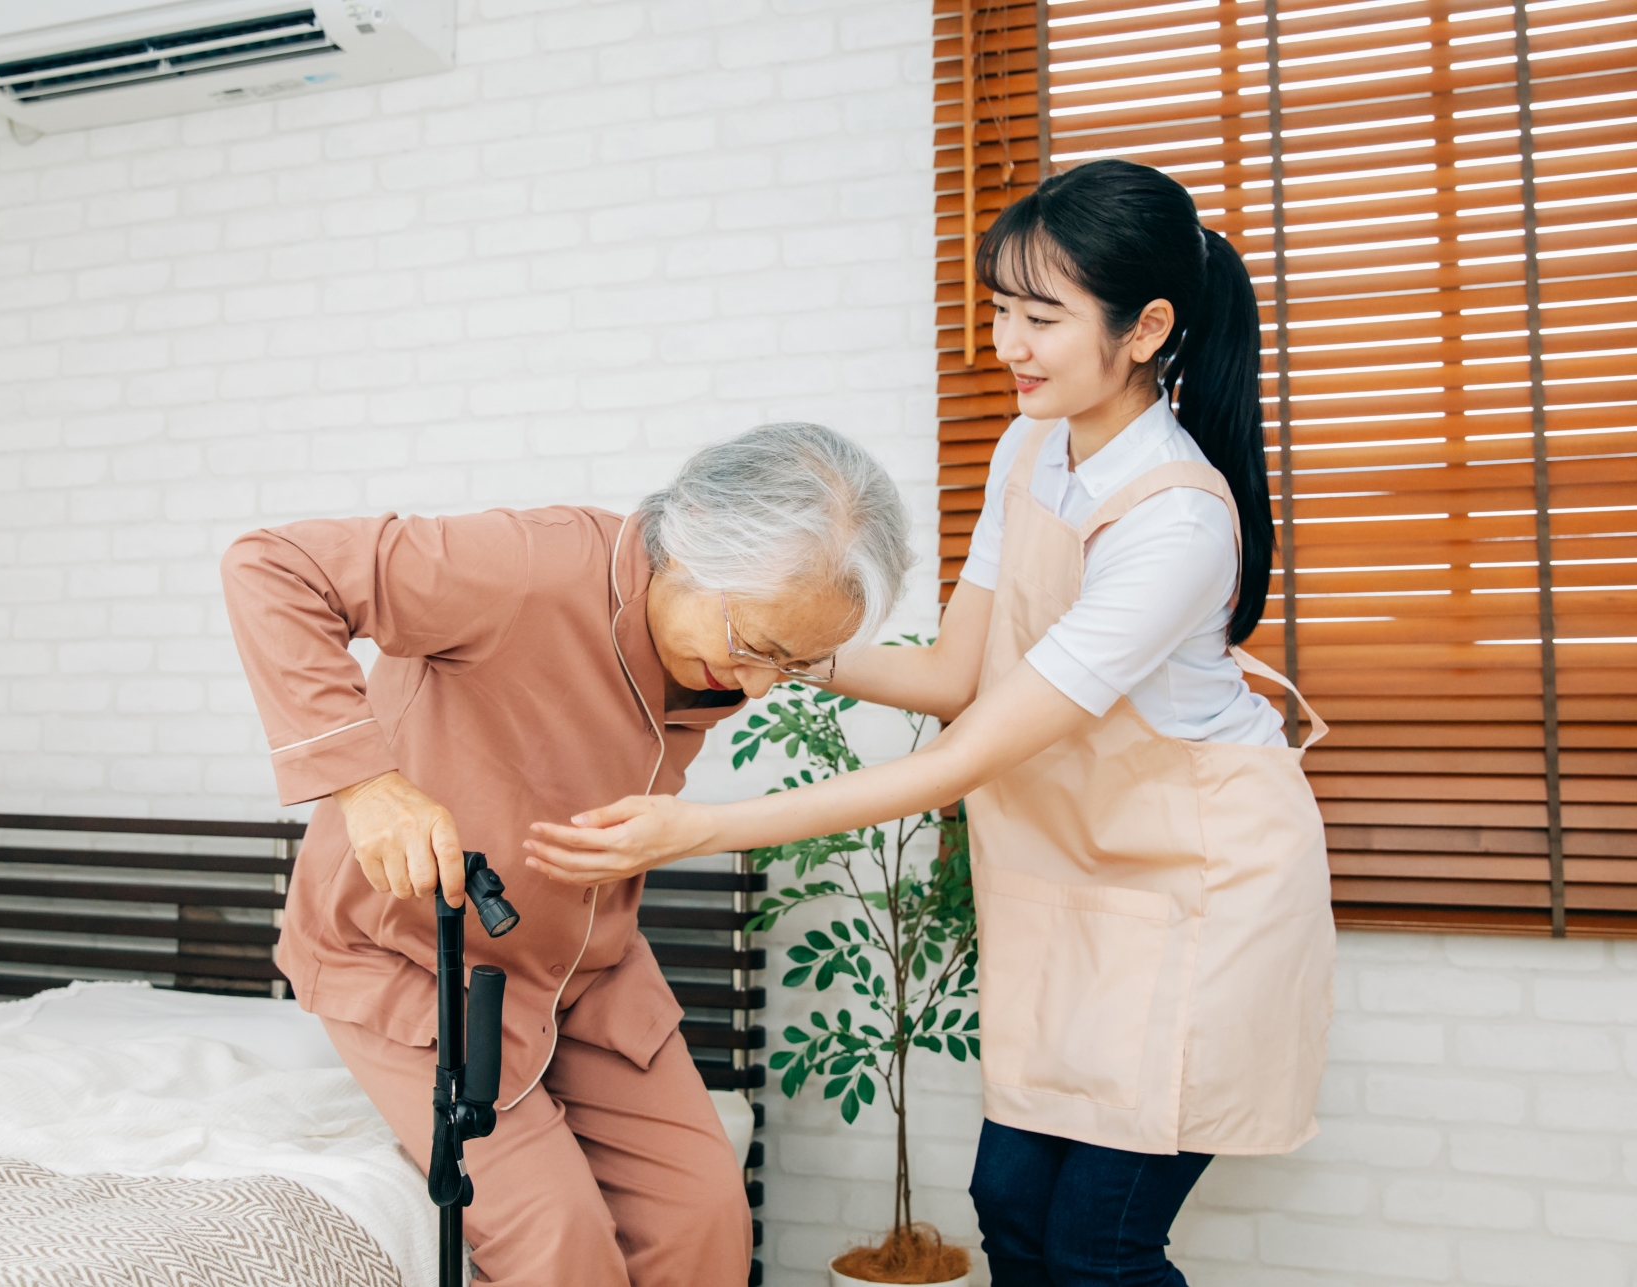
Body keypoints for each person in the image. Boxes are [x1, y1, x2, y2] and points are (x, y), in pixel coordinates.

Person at [524, 159, 1336, 1287]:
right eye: (1002, 307)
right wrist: (773, 642)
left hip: (1202, 895)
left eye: (1042, 316)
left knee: (1100, 1243)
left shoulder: (1178, 522)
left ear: (1147, 328)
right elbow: (962, 674)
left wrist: (697, 830)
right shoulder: (1029, 446)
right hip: (1072, 877)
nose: (1009, 341)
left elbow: (965, 754)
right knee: (1009, 1205)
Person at [220, 424, 915, 1287]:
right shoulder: (525, 567)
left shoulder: (734, 638)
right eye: (757, 646)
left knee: (704, 1214)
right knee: (560, 1239)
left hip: (588, 966)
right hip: (414, 963)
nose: (761, 686)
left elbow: (954, 692)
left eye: (796, 664)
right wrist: (365, 785)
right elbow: (273, 565)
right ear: (690, 542)